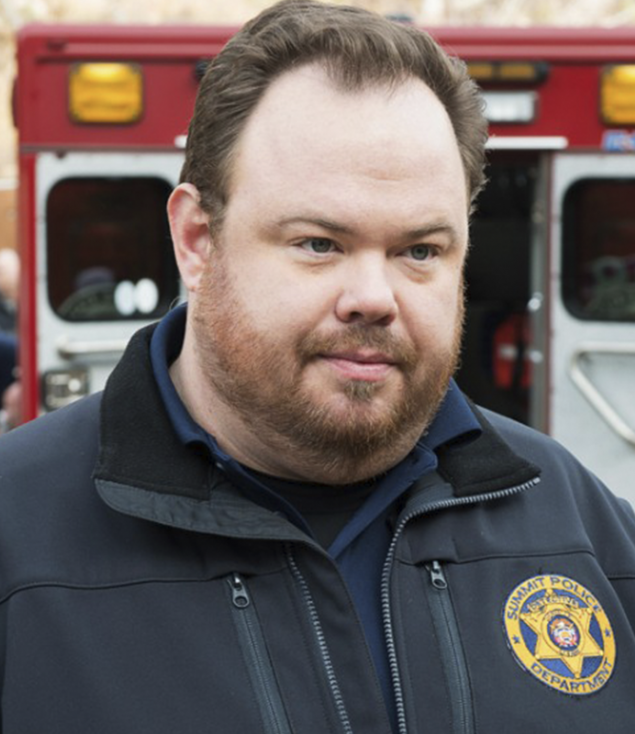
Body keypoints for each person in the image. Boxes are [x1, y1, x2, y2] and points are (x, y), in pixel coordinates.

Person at [0, 2, 634, 731]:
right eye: (318, 243)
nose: (374, 297)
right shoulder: (17, 539)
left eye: (419, 251)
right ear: (197, 241)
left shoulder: (580, 526)